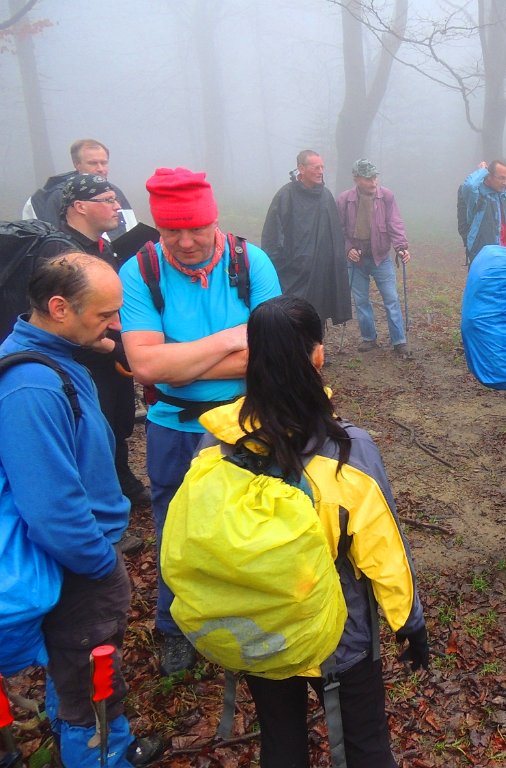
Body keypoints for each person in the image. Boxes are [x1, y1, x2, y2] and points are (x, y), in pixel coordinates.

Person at [189, 295, 428, 768]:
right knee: (365, 746)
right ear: (318, 354)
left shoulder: (215, 442)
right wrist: (409, 623)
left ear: (252, 358)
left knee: (280, 743)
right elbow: (383, 549)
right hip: (338, 635)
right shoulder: (348, 452)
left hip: (259, 629)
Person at [0, 253, 164, 766]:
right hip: (76, 562)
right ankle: (101, 756)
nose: (115, 326)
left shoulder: (57, 358)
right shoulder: (32, 387)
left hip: (80, 552)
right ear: (59, 308)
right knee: (89, 677)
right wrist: (99, 563)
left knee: (75, 667)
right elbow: (52, 507)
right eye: (104, 314)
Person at [119, 167, 282, 675]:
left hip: (249, 419)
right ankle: (175, 627)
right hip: (175, 425)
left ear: (215, 220)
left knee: (252, 521)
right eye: (172, 231)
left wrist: (182, 361)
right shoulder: (140, 271)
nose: (186, 242)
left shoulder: (250, 261)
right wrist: (234, 339)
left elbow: (278, 350)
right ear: (158, 227)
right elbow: (146, 366)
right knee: (175, 528)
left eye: (196, 229)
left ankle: (249, 615)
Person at [35, 174, 150, 515]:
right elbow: (62, 320)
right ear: (80, 206)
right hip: (83, 360)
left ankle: (120, 481)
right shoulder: (60, 252)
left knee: (118, 421)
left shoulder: (102, 246)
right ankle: (99, 503)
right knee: (94, 428)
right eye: (108, 199)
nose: (117, 206)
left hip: (109, 356)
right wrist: (111, 346)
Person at [261, 150, 351, 330]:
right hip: (293, 271)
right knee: (294, 316)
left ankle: (316, 345)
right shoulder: (286, 195)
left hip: (321, 271)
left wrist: (335, 262)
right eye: (315, 167)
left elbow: (334, 234)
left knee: (318, 315)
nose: (320, 171)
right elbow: (273, 234)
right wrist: (278, 262)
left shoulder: (325, 196)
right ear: (301, 169)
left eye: (322, 167)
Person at [336, 159, 411, 356]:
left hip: (381, 257)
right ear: (357, 179)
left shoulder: (386, 196)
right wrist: (348, 249)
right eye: (368, 178)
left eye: (375, 177)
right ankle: (369, 338)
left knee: (391, 298)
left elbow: (394, 223)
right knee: (361, 301)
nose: (373, 182)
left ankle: (399, 341)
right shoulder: (344, 200)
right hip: (355, 260)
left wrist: (401, 247)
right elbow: (339, 229)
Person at [24, 139, 137, 239]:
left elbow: (131, 227)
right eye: (93, 163)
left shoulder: (115, 191)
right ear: (76, 164)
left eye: (104, 163)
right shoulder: (54, 197)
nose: (100, 168)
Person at [458, 160, 506, 263]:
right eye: (501, 178)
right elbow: (470, 186)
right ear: (489, 176)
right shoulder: (477, 196)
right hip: (483, 258)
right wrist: (484, 170)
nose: (505, 183)